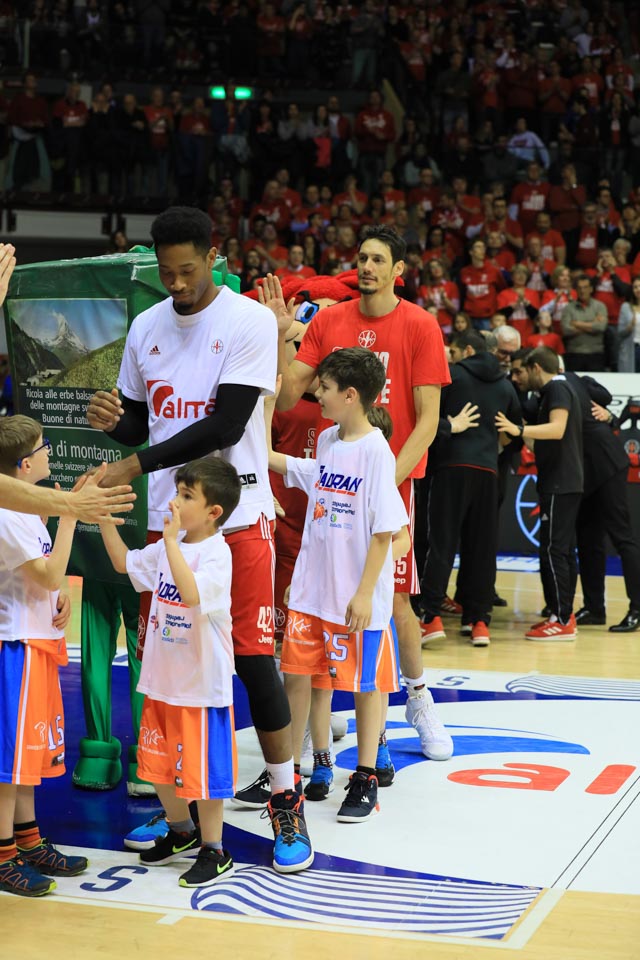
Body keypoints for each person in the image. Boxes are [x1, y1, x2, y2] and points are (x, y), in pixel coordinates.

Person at [84, 207, 313, 875]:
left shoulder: (247, 321)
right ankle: (181, 816)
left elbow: (225, 425)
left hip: (235, 523)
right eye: (167, 273)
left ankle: (285, 799)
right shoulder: (147, 326)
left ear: (213, 258)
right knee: (166, 669)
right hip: (168, 527)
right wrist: (115, 425)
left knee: (253, 661)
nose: (178, 283)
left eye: (188, 270)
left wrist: (134, 462)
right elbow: (143, 423)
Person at [266, 225, 453, 762]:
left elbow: (427, 423)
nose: (367, 267)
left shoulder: (420, 324)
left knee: (394, 600)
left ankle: (417, 698)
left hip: (389, 479)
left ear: (399, 270)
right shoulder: (329, 321)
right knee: (325, 598)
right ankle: (319, 730)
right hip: (335, 479)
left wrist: (380, 484)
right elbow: (287, 397)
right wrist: (280, 336)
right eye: (362, 258)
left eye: (378, 259)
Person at [270, 348, 408, 820]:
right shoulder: (328, 440)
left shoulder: (376, 452)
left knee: (365, 686)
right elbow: (309, 484)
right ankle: (287, 775)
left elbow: (385, 532)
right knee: (299, 677)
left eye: (324, 388)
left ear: (350, 395)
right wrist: (303, 578)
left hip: (355, 599)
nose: (318, 395)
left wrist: (365, 593)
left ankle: (365, 777)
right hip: (314, 593)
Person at [99, 458, 242, 887]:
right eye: (177, 492)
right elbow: (123, 563)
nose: (175, 502)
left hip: (200, 688)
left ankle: (214, 849)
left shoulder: (217, 553)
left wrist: (170, 544)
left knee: (203, 776)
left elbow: (191, 593)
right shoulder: (169, 546)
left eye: (186, 496)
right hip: (162, 680)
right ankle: (181, 830)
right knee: (157, 767)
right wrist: (103, 518)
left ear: (213, 511)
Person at [0, 415, 88, 897]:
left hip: (35, 642)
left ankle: (28, 840)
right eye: (44, 445)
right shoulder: (7, 514)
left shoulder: (27, 510)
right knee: (8, 761)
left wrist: (61, 595)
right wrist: (71, 513)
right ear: (25, 464)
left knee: (27, 756)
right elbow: (49, 572)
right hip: (13, 647)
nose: (50, 451)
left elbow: (47, 578)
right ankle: (3, 856)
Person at [418, 332, 521, 647]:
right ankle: (478, 622)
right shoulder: (506, 385)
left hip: (451, 468)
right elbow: (512, 434)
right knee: (482, 549)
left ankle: (430, 616)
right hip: (488, 471)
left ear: (467, 350)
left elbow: (426, 422)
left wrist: (451, 426)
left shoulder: (452, 377)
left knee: (441, 544)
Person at [496, 347, 583, 640]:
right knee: (562, 550)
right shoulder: (556, 391)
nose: (519, 377)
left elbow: (557, 429)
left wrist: (518, 430)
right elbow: (546, 441)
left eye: (523, 370)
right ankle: (562, 613)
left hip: (561, 482)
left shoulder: (557, 388)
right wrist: (523, 433)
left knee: (554, 550)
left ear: (536, 368)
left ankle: (562, 619)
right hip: (562, 481)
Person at [561, 275, 609, 371]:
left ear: (591, 289)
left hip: (595, 354)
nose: (582, 291)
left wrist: (576, 323)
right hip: (574, 354)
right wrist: (593, 323)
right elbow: (566, 330)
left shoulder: (600, 306)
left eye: (585, 287)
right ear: (576, 290)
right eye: (579, 288)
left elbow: (601, 327)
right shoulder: (569, 308)